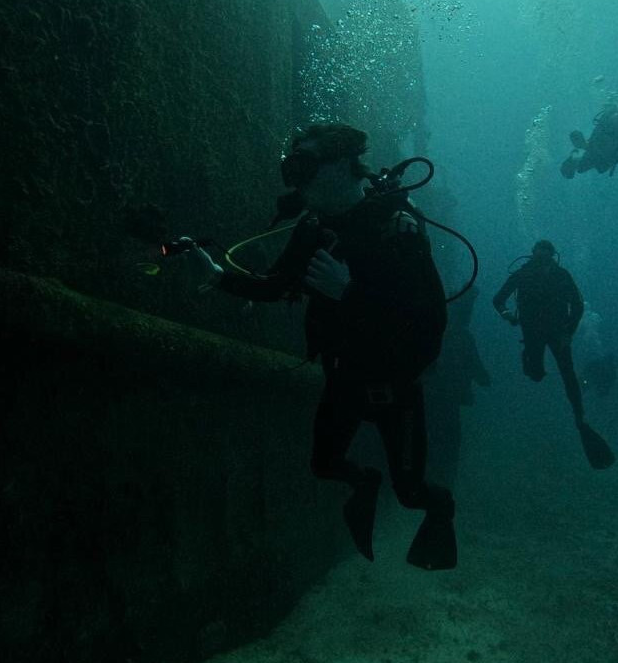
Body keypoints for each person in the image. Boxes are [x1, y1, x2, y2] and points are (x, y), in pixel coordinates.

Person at [188, 124, 457, 570]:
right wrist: (218, 275)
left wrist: (348, 291)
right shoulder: (313, 228)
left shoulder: (396, 226)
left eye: (307, 166)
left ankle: (441, 510)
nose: (297, 179)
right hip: (343, 377)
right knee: (324, 463)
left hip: (394, 385)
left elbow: (431, 320)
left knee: (411, 494)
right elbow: (275, 286)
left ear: (342, 165)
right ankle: (364, 483)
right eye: (292, 168)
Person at [492, 240, 614, 469]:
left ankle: (580, 417)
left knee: (568, 375)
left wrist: (568, 332)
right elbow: (498, 300)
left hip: (558, 335)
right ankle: (530, 363)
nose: (543, 264)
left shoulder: (561, 276)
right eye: (540, 258)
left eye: (546, 259)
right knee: (537, 374)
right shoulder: (523, 275)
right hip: (535, 334)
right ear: (533, 256)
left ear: (552, 257)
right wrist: (507, 314)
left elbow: (577, 306)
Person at [424, 286, 491, 489]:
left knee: (432, 437)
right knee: (449, 442)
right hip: (448, 398)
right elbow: (478, 371)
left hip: (430, 395)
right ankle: (442, 486)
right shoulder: (462, 337)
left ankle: (430, 479)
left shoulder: (436, 331)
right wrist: (483, 378)